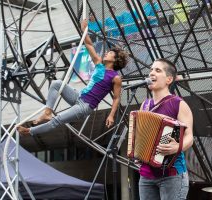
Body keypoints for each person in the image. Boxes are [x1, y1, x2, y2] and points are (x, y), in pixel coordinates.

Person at [17, 20, 129, 136]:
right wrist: (84, 30)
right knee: (57, 83)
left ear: (115, 60)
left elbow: (116, 98)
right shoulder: (99, 64)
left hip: (85, 106)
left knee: (58, 120)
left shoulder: (116, 78)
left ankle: (29, 132)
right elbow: (89, 45)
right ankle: (48, 112)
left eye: (110, 53)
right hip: (78, 96)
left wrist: (111, 115)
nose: (106, 53)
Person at [138, 58, 194, 200]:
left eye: (157, 70)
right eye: (151, 69)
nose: (151, 73)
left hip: (172, 174)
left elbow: (189, 137)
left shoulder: (178, 104)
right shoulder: (145, 105)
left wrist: (177, 147)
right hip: (145, 175)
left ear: (169, 79)